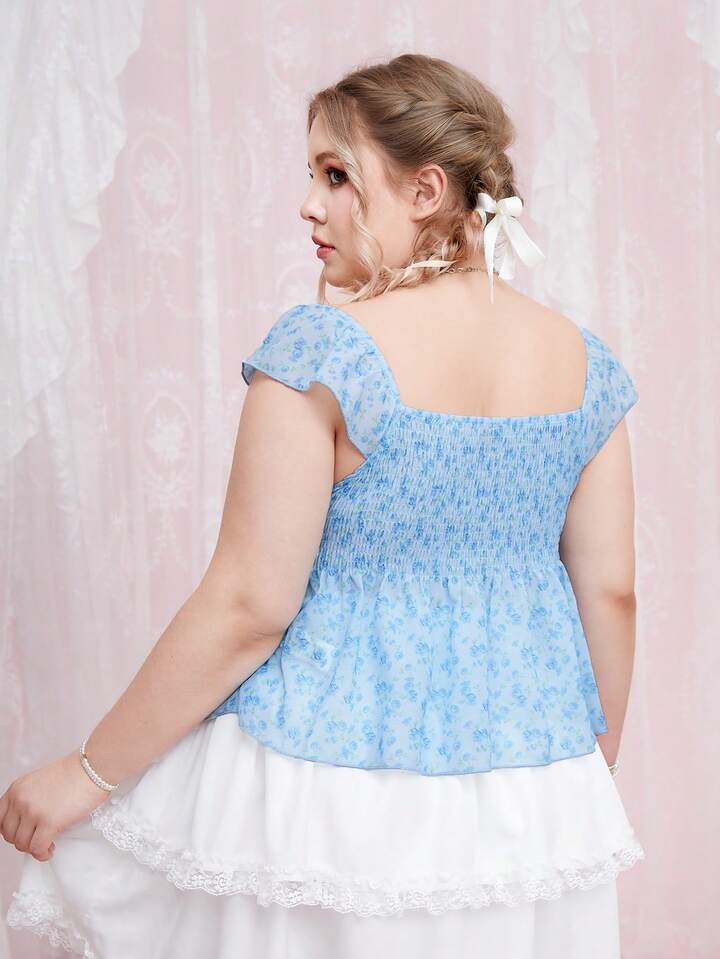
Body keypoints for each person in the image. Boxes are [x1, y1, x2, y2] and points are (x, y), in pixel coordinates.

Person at [3, 52, 644, 958]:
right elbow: (610, 593)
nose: (310, 204)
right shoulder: (587, 366)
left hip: (331, 796)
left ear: (426, 189)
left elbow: (249, 604)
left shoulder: (324, 353)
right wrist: (584, 775)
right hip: (535, 799)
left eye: (336, 175)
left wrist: (89, 771)